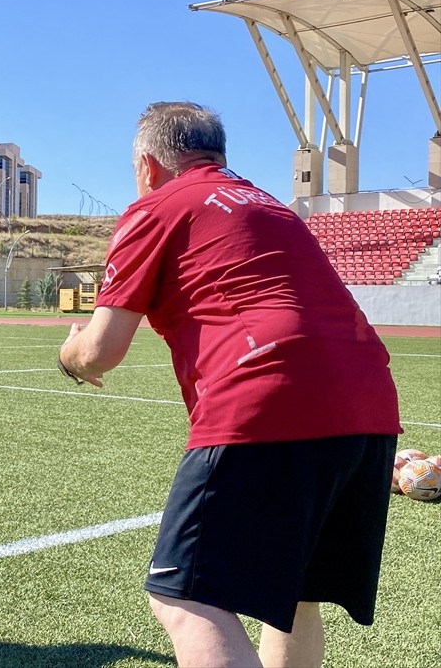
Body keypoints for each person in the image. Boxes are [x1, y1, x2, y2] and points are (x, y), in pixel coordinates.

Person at [57, 102, 400, 667]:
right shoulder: (272, 206)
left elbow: (101, 350)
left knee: (182, 597)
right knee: (293, 595)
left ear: (147, 164)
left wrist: (70, 353)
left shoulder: (157, 206)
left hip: (267, 394)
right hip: (369, 399)